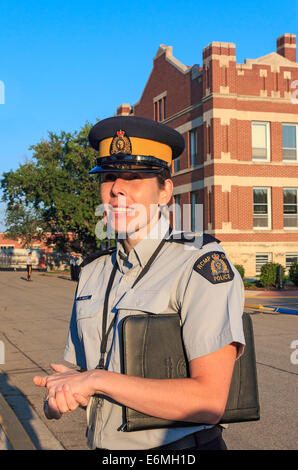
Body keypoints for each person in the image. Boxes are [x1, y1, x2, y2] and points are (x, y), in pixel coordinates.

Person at [33, 116, 245, 451]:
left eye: (134, 177)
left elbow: (209, 399)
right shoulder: (93, 271)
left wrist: (97, 380)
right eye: (109, 177)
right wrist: (64, 393)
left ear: (165, 192)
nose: (117, 189)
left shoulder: (199, 264)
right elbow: (80, 373)